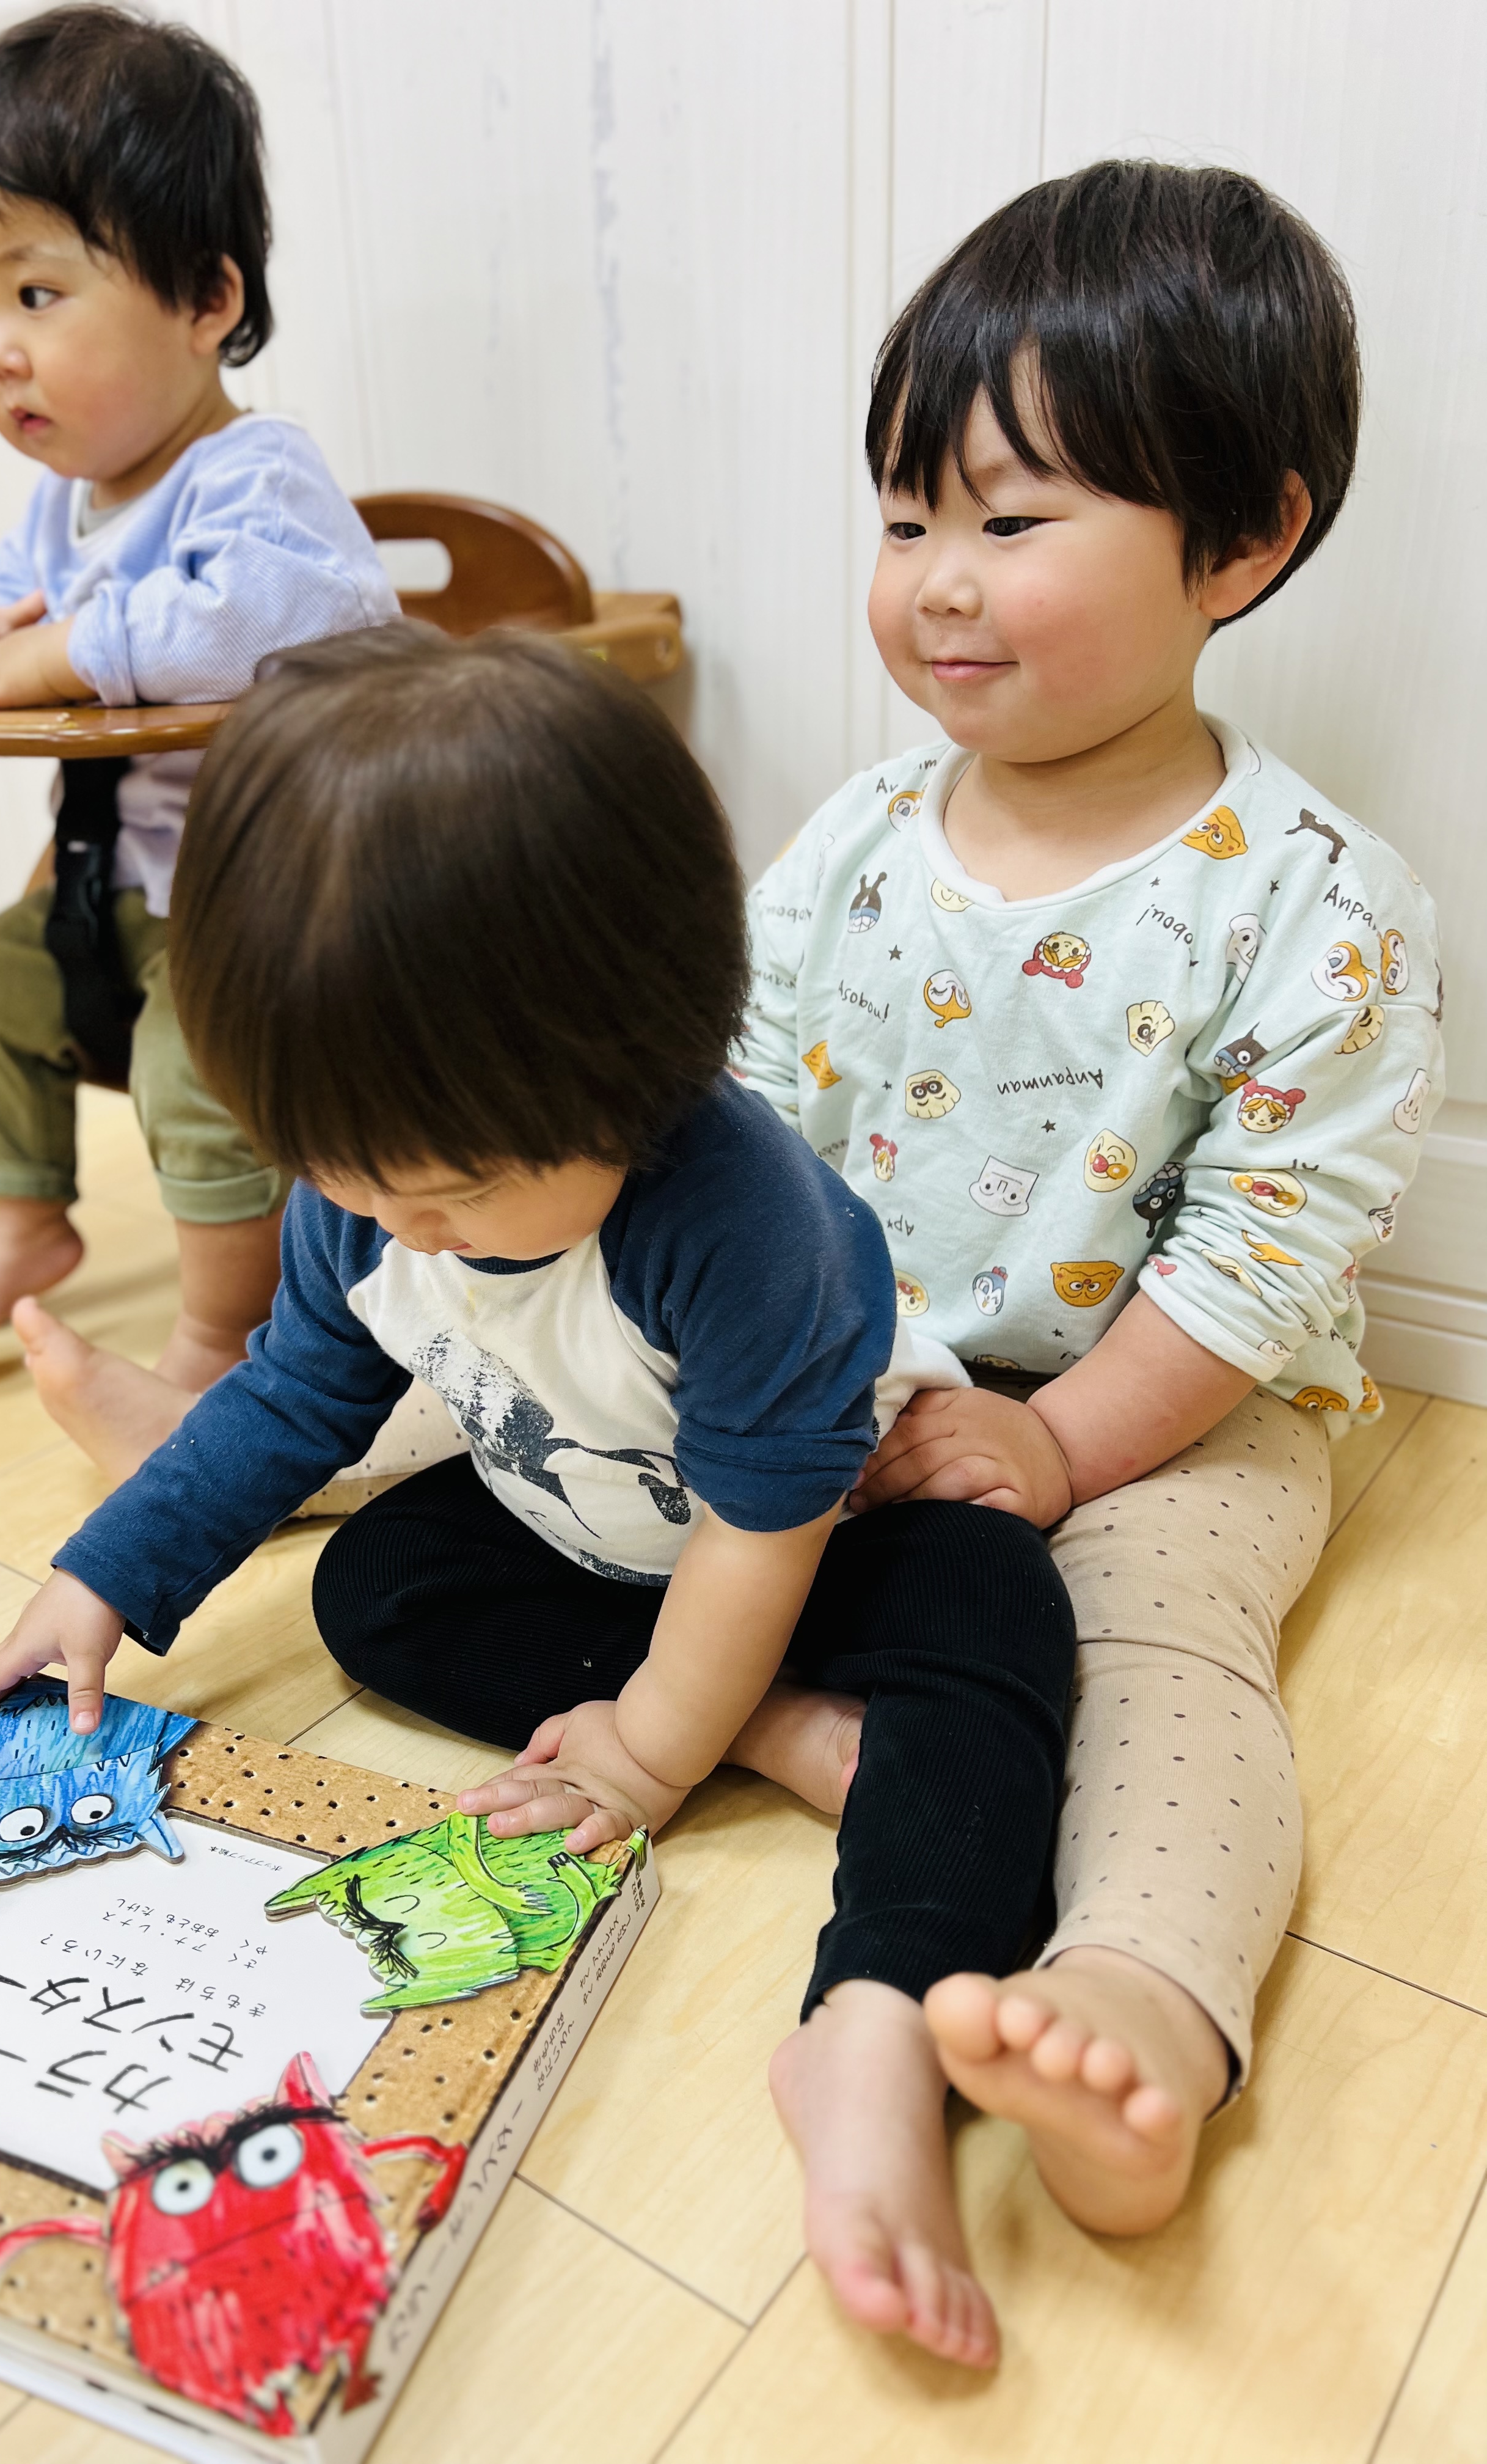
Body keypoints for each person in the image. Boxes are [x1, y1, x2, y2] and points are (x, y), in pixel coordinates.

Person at [0, 625, 1077, 2370]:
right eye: (335, 1169)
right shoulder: (366, 1185)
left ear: (642, 1074)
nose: (389, 1220)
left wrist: (643, 1760)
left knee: (999, 1618)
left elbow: (758, 1534)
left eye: (454, 1187)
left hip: (818, 1538)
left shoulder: (748, 1233)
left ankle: (871, 2026)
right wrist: (105, 1577)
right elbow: (297, 1394)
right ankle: (779, 1732)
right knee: (375, 1583)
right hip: (593, 1542)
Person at [733, 160, 1443, 2300]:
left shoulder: (1319, 905)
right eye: (903, 519)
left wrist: (1057, 1445)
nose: (936, 584)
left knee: (1157, 1655)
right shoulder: (854, 841)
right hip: (859, 1362)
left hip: (1171, 1414)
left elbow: (1256, 1262)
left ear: (1242, 541)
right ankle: (272, 1437)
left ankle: (1139, 2009)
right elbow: (745, 1121)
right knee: (538, 1421)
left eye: (1010, 521)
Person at [0, 6, 396, 1388]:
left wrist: (58, 653)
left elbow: (255, 619)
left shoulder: (257, 477)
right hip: (115, 893)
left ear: (204, 302)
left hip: (274, 898)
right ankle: (27, 1222)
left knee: (195, 1066)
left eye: (35, 294)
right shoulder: (60, 510)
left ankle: (222, 1329)